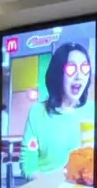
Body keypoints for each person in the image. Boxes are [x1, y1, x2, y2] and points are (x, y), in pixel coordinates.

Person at [20, 42, 93, 178]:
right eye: (71, 69)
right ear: (58, 73)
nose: (79, 75)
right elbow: (28, 165)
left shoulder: (95, 112)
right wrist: (50, 184)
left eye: (84, 68)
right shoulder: (37, 112)